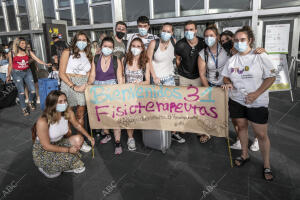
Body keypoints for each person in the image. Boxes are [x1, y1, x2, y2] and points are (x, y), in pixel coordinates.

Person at [221, 26, 276, 181]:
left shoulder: (260, 56)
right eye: (236, 40)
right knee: (241, 127)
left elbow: (271, 77)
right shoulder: (232, 60)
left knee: (261, 134)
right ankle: (244, 154)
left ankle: (266, 164)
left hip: (257, 102)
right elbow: (225, 77)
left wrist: (256, 94)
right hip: (237, 100)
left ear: (250, 40)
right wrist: (228, 83)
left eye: (242, 40)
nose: (239, 43)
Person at [32, 90, 95, 178]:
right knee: (58, 171)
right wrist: (68, 150)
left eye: (65, 100)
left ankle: (61, 164)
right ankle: (44, 167)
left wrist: (89, 137)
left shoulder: (68, 113)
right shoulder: (43, 121)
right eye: (60, 102)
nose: (64, 103)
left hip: (59, 142)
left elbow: (77, 125)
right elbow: (46, 146)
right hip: (44, 151)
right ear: (52, 104)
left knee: (79, 139)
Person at [220, 30, 264, 152]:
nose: (225, 42)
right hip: (234, 93)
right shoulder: (227, 54)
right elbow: (226, 75)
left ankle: (256, 139)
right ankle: (240, 140)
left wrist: (262, 51)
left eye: (228, 39)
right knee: (237, 120)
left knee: (253, 121)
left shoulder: (251, 53)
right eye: (222, 41)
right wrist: (227, 82)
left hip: (252, 94)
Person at [147, 23, 185, 144]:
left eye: (169, 31)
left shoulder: (174, 42)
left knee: (171, 106)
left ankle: (173, 132)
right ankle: (159, 132)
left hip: (169, 78)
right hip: (156, 79)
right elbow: (148, 61)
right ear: (160, 31)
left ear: (172, 33)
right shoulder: (154, 43)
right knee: (158, 107)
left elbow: (178, 57)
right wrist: (154, 76)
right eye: (164, 31)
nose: (166, 33)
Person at [59, 31, 94, 153]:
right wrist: (73, 86)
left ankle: (80, 141)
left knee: (80, 114)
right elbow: (61, 73)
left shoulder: (89, 54)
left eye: (84, 40)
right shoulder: (67, 52)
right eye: (80, 39)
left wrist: (87, 84)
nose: (82, 42)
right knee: (68, 115)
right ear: (75, 40)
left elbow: (90, 73)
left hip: (83, 83)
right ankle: (69, 142)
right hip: (69, 83)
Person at [88, 37, 123, 154]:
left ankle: (118, 142)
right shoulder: (96, 58)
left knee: (114, 116)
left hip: (111, 89)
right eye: (105, 46)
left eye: (110, 47)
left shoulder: (116, 60)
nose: (107, 48)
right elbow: (92, 75)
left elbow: (120, 78)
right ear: (101, 47)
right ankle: (107, 135)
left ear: (113, 49)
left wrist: (121, 92)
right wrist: (88, 85)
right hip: (97, 89)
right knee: (102, 115)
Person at [197, 24, 230, 143]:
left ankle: (223, 131)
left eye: (211, 35)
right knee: (208, 111)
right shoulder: (202, 53)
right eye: (206, 36)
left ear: (217, 37)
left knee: (224, 110)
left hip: (225, 86)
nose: (208, 38)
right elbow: (202, 74)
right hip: (210, 85)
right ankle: (207, 133)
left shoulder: (226, 50)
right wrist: (210, 90)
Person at [6, 37, 51, 116]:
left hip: (27, 72)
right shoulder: (12, 53)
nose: (24, 45)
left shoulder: (28, 52)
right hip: (16, 73)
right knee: (21, 92)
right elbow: (10, 65)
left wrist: (45, 64)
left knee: (33, 90)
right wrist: (8, 75)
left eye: (25, 43)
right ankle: (24, 108)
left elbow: (37, 59)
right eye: (22, 43)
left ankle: (30, 101)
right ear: (18, 44)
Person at [123, 38, 150, 151]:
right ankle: (130, 138)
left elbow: (147, 81)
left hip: (140, 93)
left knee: (141, 116)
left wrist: (138, 83)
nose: (135, 48)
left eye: (138, 46)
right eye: (133, 46)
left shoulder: (146, 61)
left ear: (142, 48)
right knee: (130, 116)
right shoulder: (125, 59)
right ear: (130, 47)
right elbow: (121, 77)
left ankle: (148, 138)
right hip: (127, 93)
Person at [175, 21, 205, 87]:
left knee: (199, 96)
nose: (188, 32)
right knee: (183, 96)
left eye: (191, 29)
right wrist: (183, 72)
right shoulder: (180, 44)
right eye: (186, 30)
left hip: (199, 76)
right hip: (184, 77)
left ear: (196, 30)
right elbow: (178, 60)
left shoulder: (203, 43)